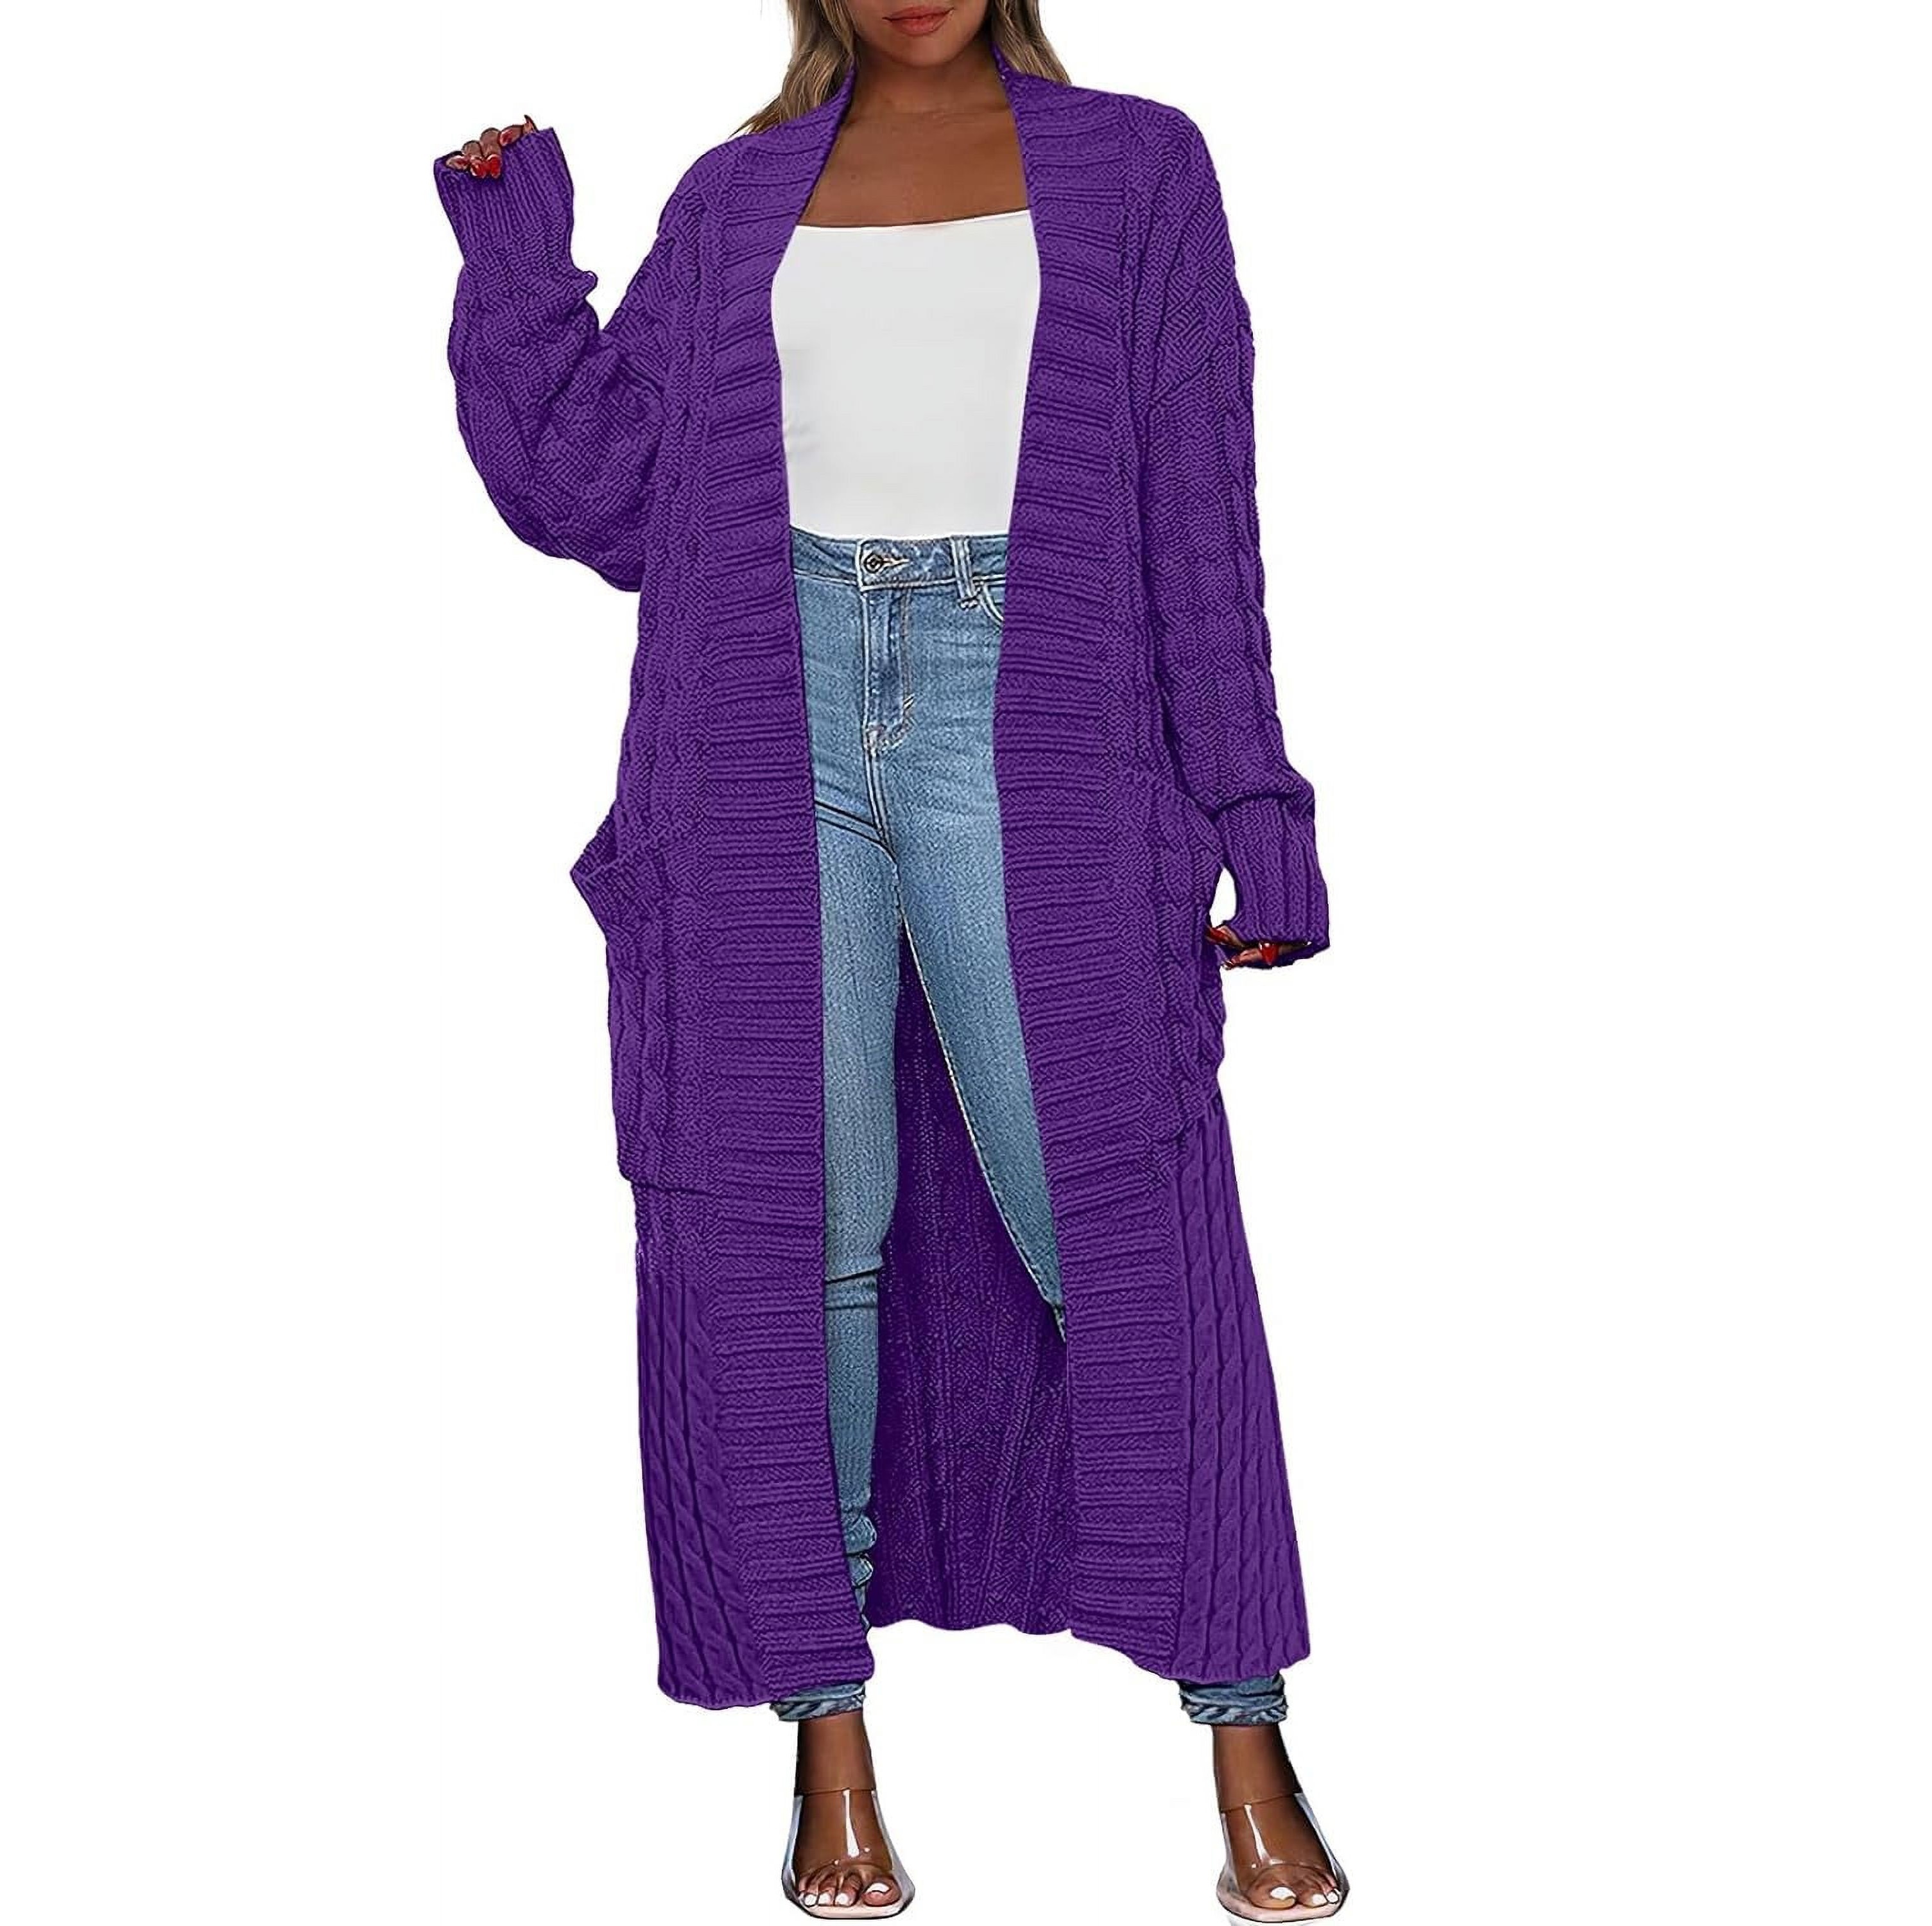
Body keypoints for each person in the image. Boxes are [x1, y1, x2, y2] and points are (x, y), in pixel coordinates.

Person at [432, 3, 1344, 1916]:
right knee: (796, 1238)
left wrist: (1253, 798)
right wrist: (516, 251)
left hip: (1038, 710)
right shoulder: (736, 195)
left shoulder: (1138, 168)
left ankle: (1244, 1733)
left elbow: (1197, 504)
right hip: (760, 724)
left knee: (1124, 1223)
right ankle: (828, 1751)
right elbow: (598, 491)